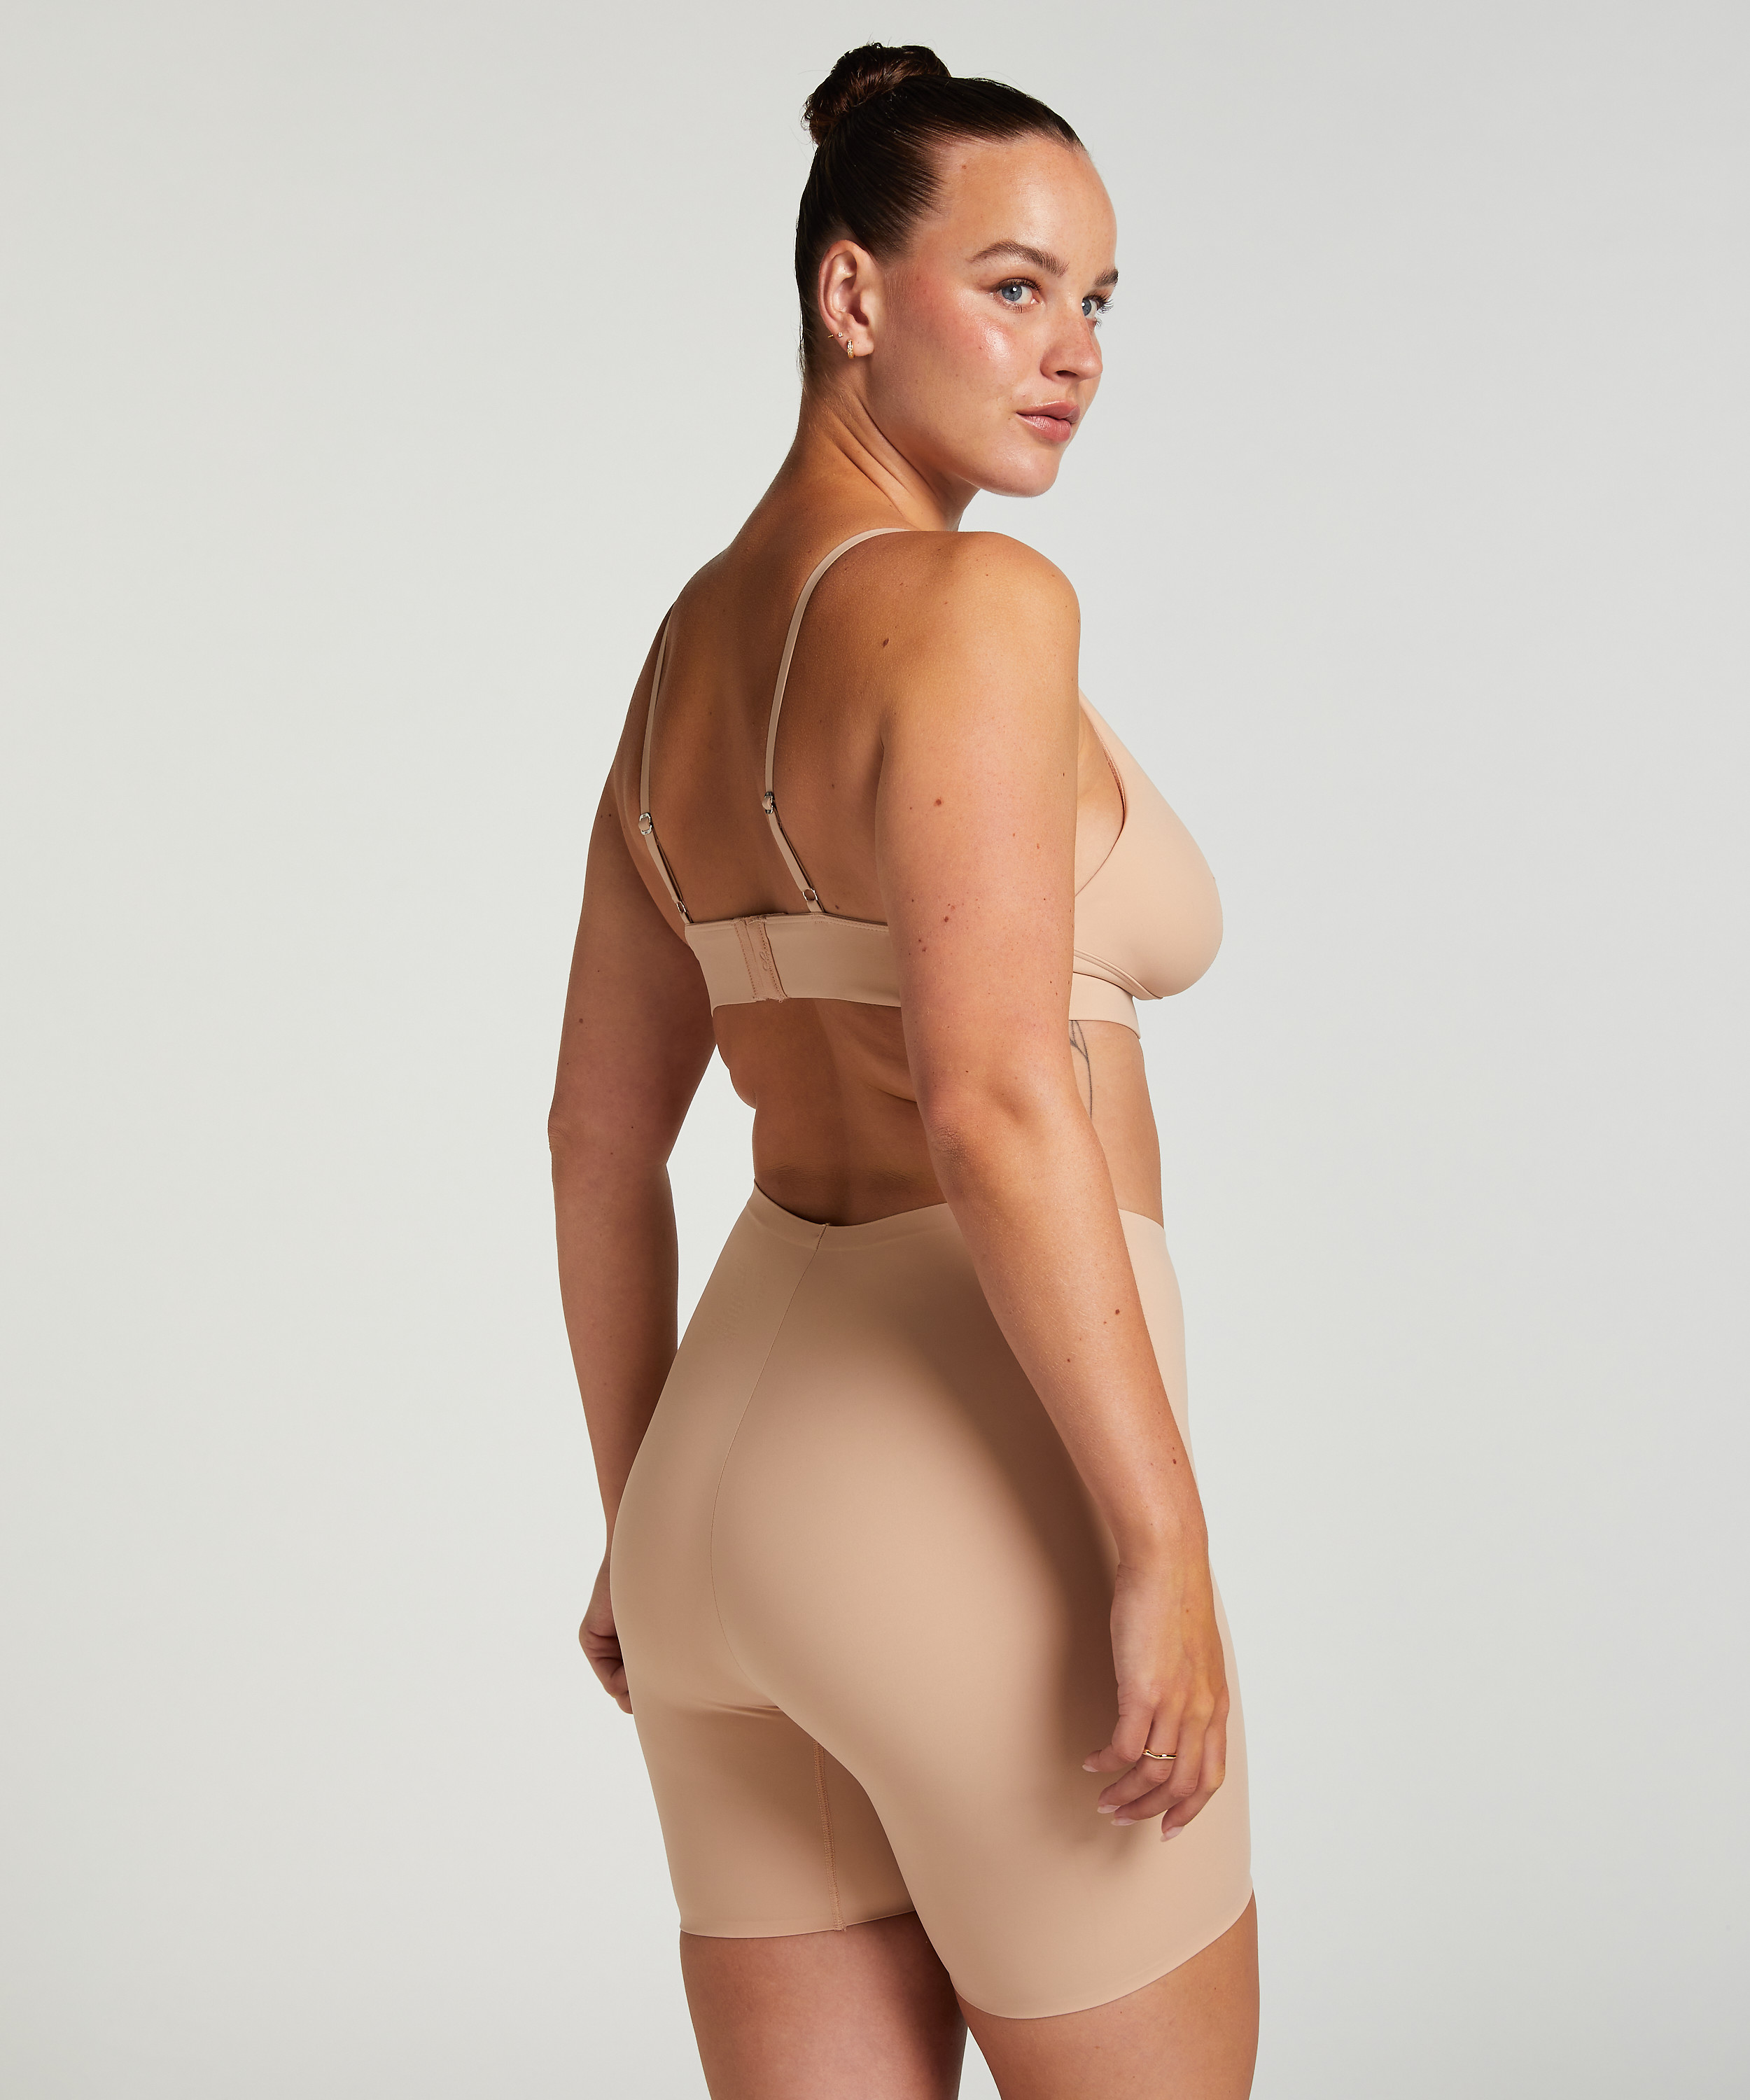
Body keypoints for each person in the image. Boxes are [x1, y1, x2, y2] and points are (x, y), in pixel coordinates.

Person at [549, 43, 1258, 2100]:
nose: (1074, 353)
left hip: (720, 1501)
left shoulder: (686, 651)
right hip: (974, 1493)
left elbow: (596, 1137)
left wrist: (637, 1519)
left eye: (1096, 300)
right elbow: (997, 1101)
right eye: (1015, 287)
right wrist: (1161, 1545)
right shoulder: (979, 604)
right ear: (851, 294)